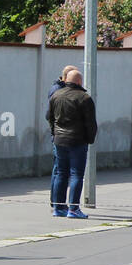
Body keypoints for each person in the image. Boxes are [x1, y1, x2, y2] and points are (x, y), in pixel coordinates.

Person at [47, 68, 98, 219]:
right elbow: (91, 124)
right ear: (79, 81)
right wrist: (90, 139)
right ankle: (74, 209)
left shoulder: (56, 95)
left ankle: (58, 207)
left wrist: (54, 133)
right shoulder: (84, 98)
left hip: (59, 140)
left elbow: (49, 117)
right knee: (76, 174)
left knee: (61, 173)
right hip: (77, 141)